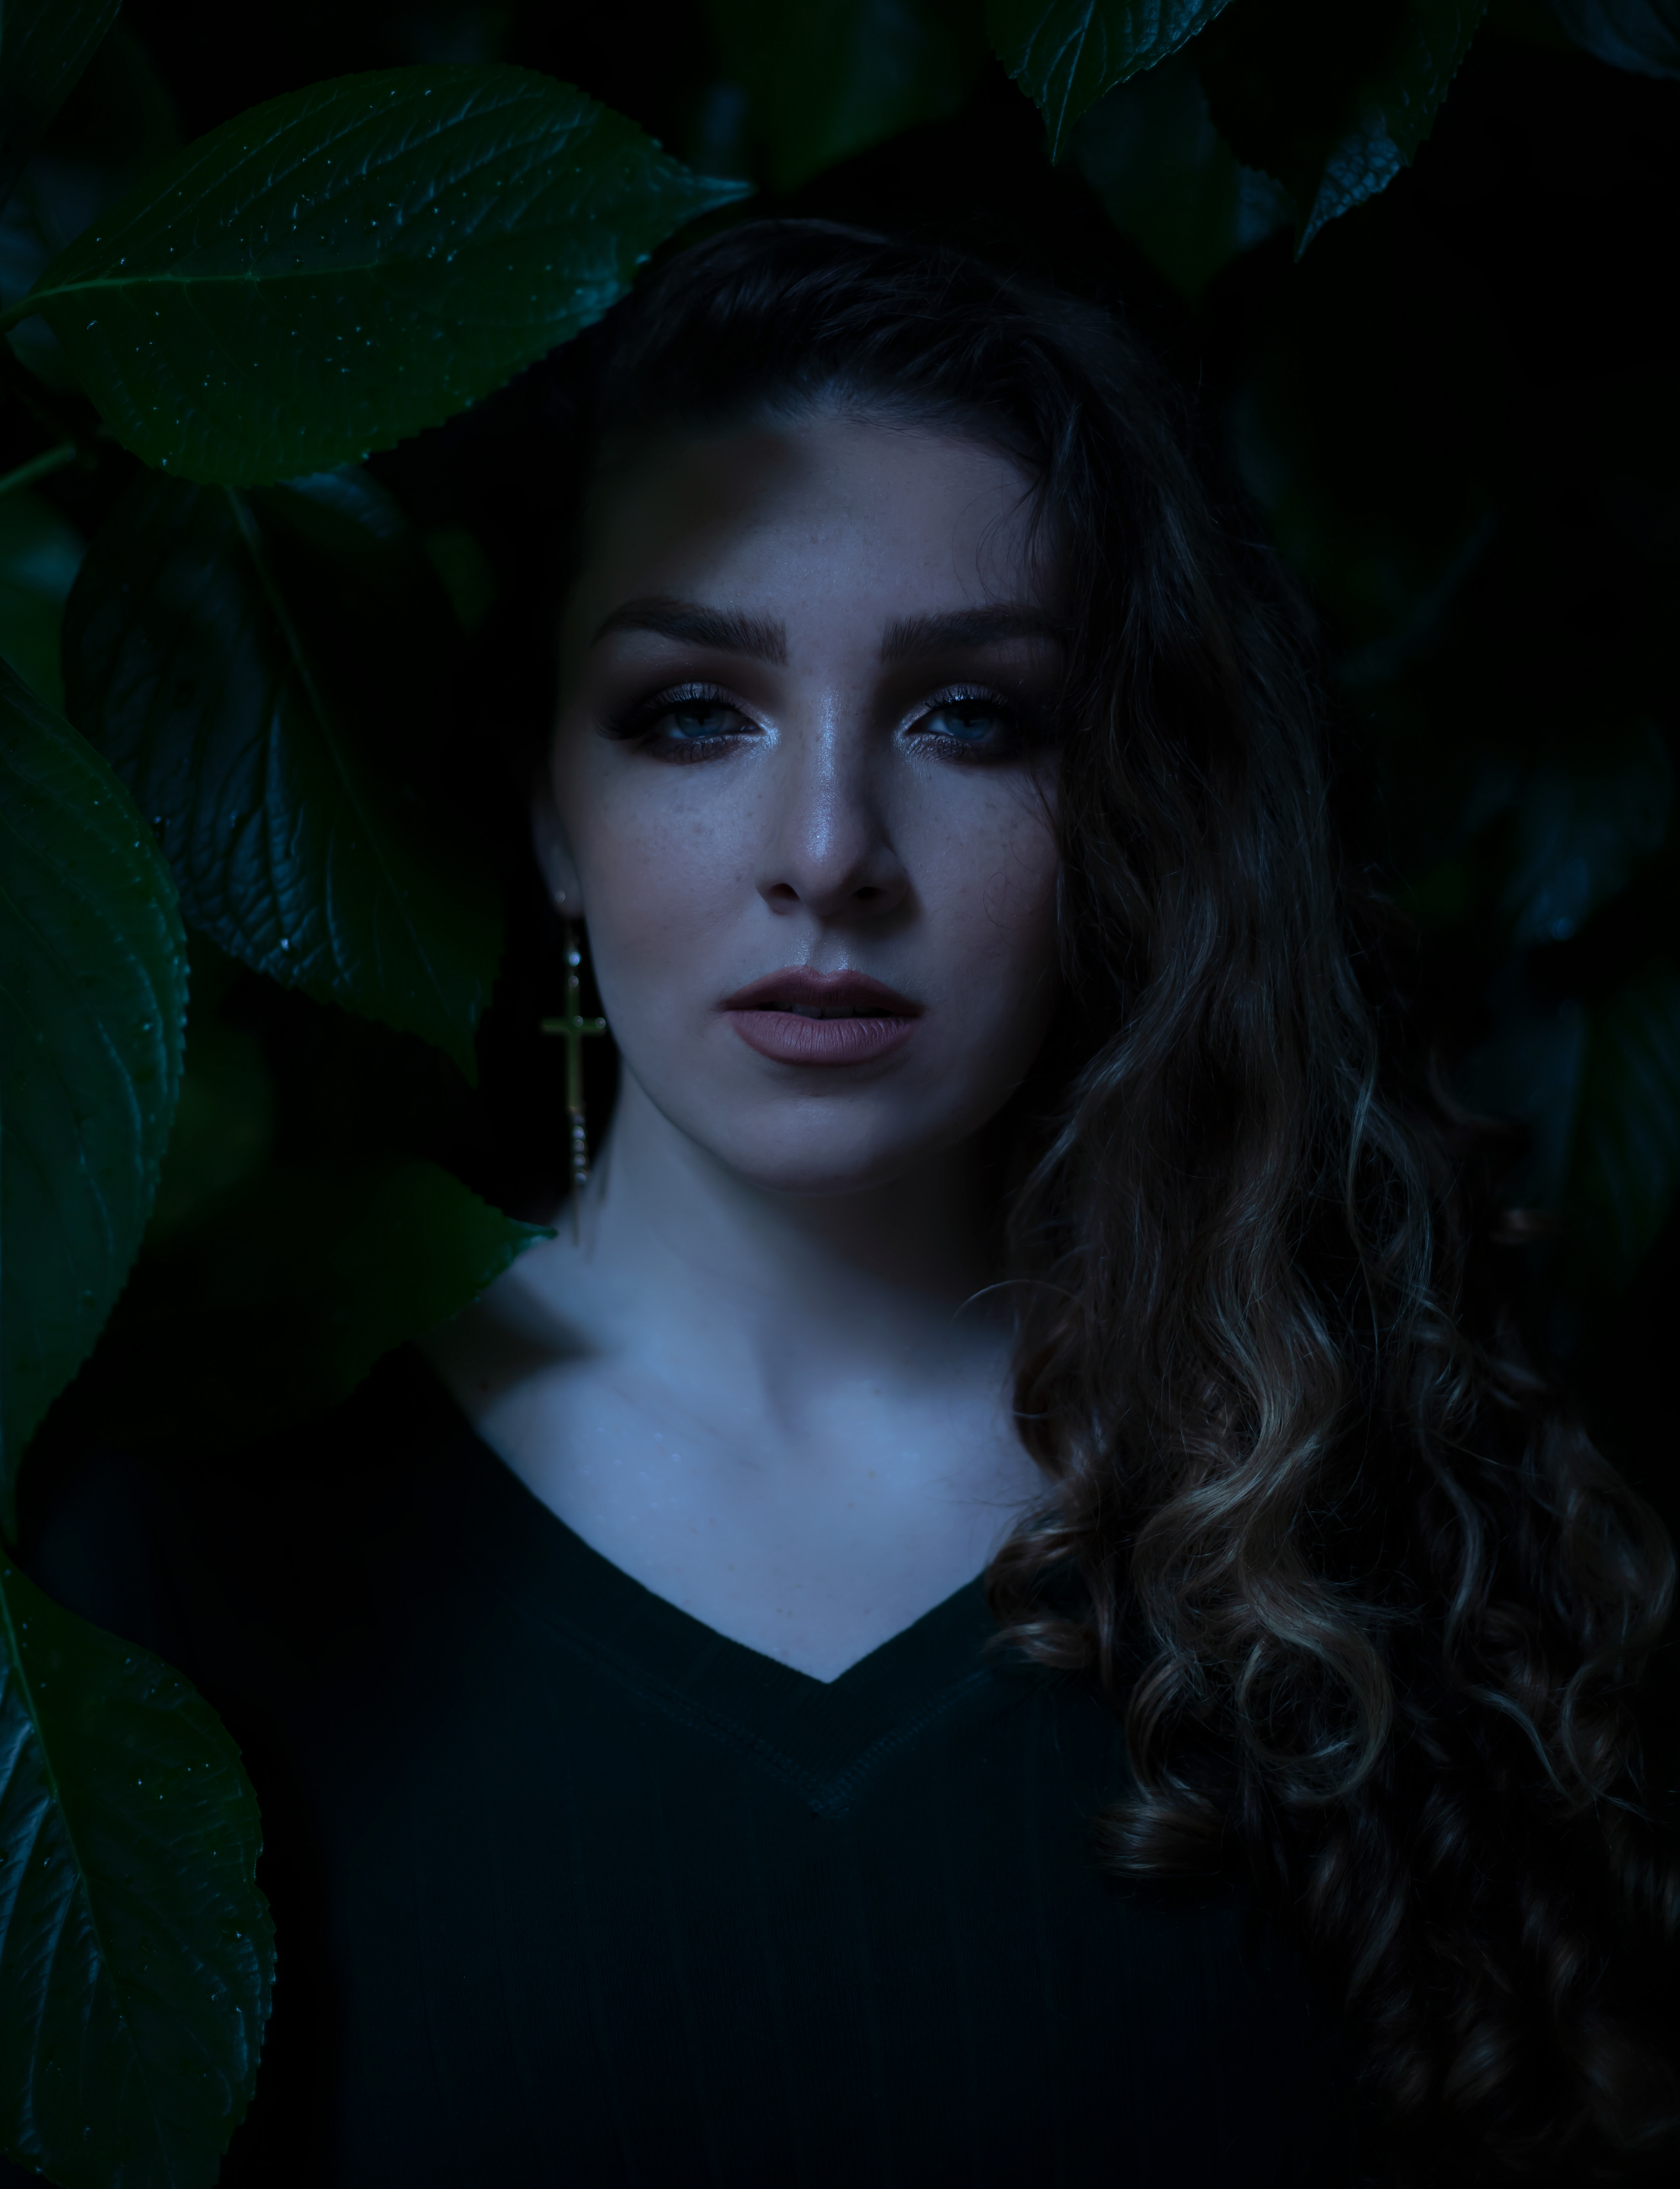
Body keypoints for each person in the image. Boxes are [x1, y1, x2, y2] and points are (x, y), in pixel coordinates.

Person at [32, 222, 1676, 2185]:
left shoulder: (1360, 1532)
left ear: (1122, 804)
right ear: (548, 807)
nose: (827, 850)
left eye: (969, 717)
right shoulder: (169, 1552)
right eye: (692, 710)